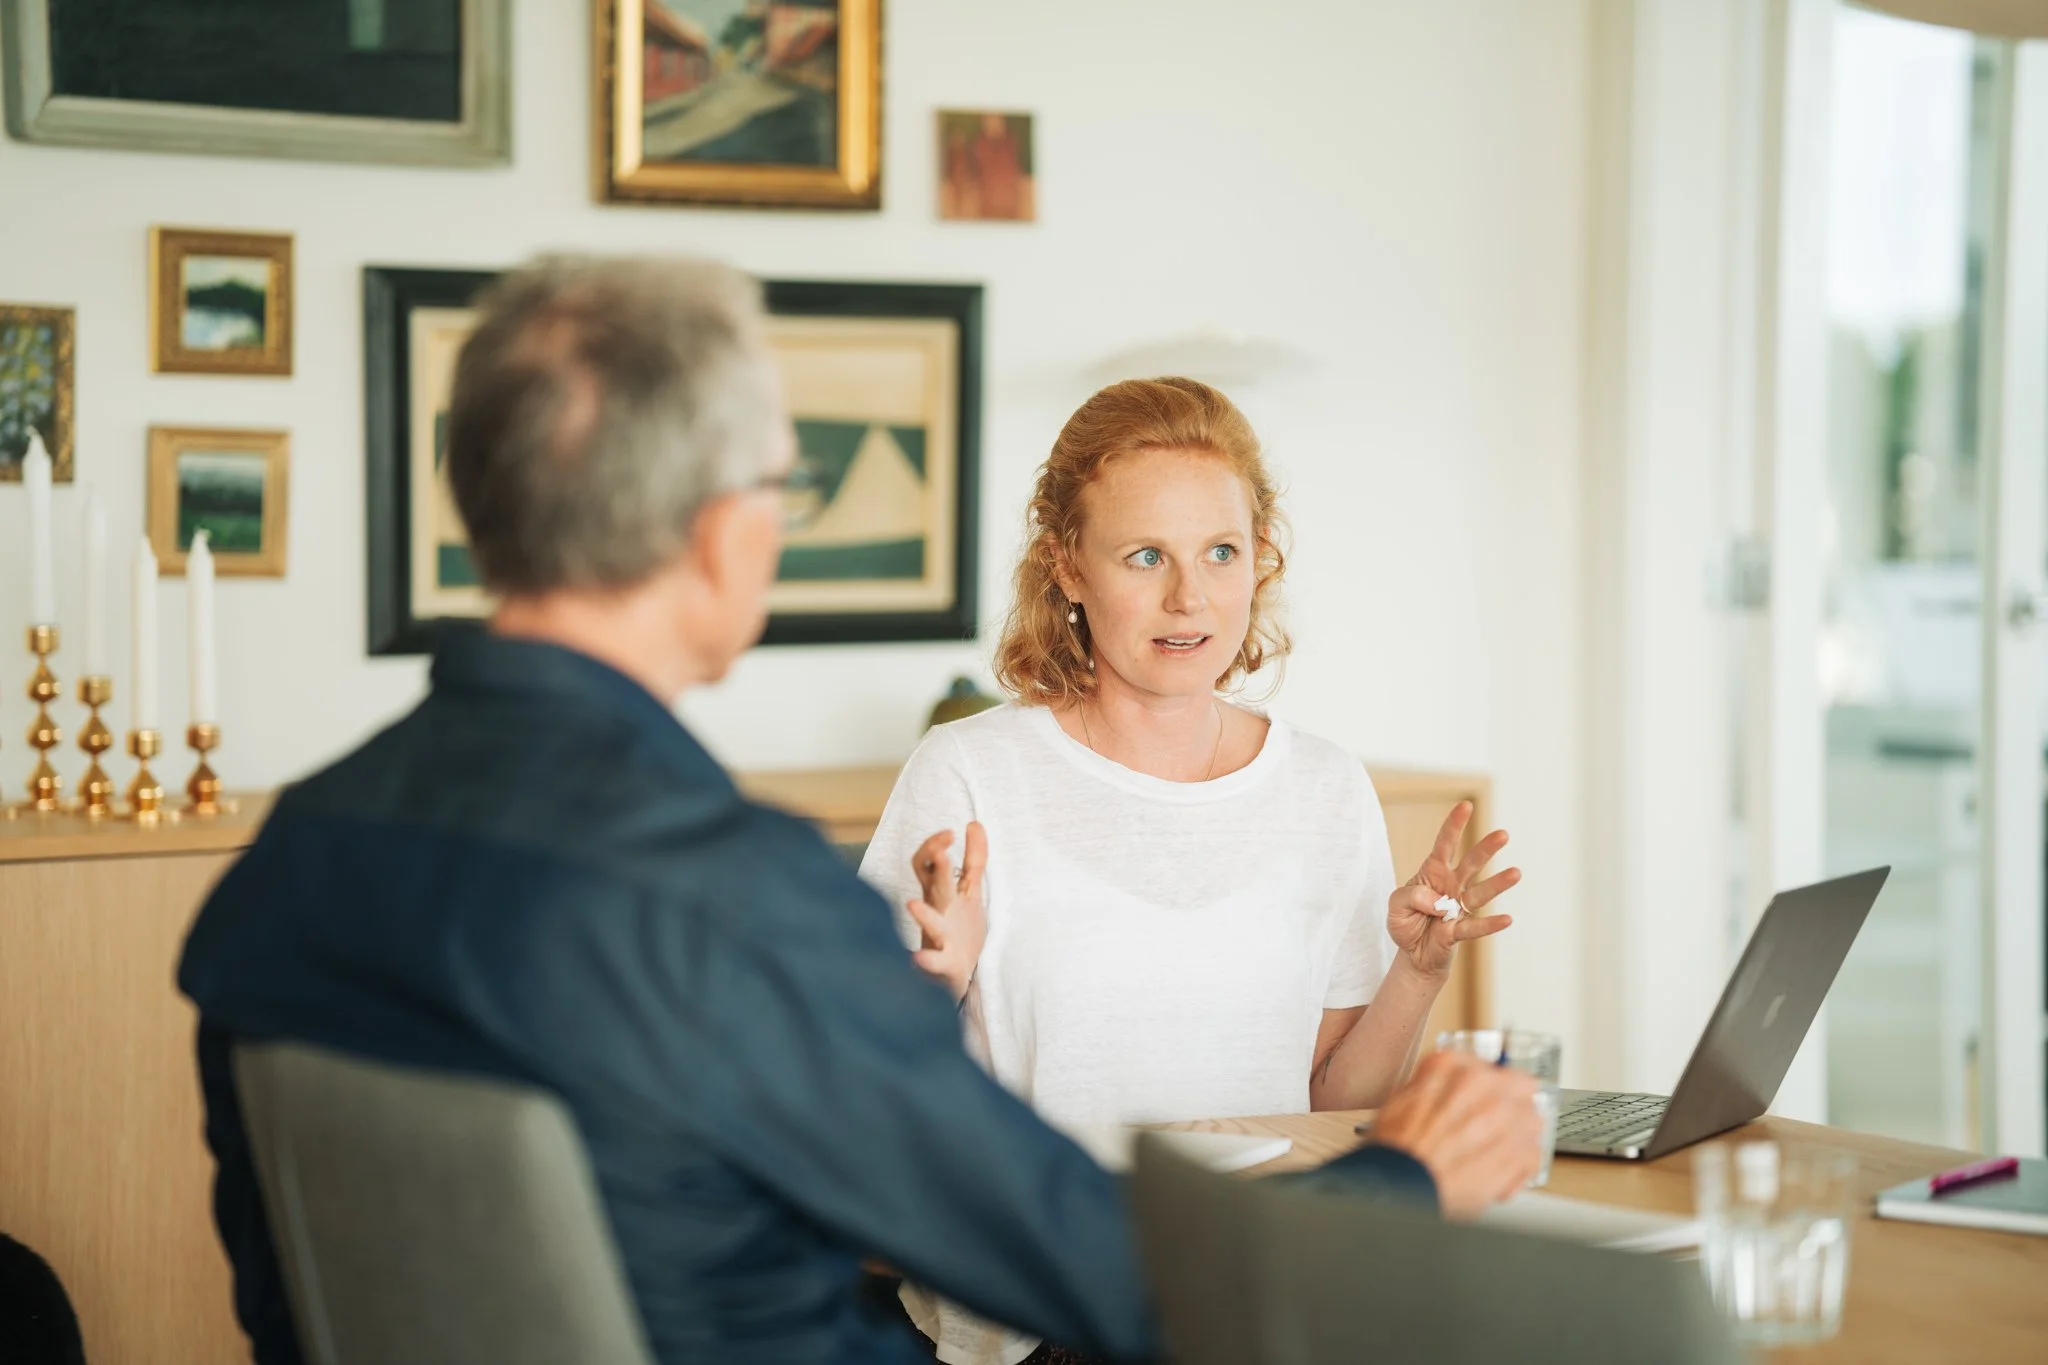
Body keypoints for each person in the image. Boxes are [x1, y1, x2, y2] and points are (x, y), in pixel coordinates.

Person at [177, 256, 1543, 1365]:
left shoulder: (291, 859)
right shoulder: (736, 900)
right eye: (780, 485)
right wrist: (1405, 1183)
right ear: (722, 531)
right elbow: (1099, 1277)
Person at [861, 376, 1523, 1364]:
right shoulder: (968, 775)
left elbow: (1333, 1097)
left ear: (1260, 561)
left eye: (1220, 552)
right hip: (1054, 1311)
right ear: (1066, 568)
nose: (1189, 597)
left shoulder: (1322, 785)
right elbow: (855, 1094)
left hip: (1268, 1286)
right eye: (1144, 557)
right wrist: (927, 987)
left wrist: (1415, 971)